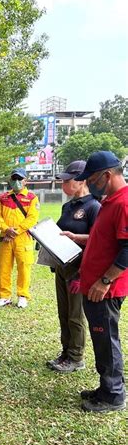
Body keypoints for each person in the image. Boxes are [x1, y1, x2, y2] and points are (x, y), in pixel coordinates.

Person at [74, 151, 127, 413]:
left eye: (92, 179)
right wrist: (77, 237)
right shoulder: (110, 202)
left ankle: (113, 394)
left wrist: (104, 281)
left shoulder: (123, 203)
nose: (89, 184)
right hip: (95, 286)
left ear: (107, 175)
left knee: (106, 340)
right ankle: (107, 386)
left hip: (104, 290)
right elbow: (103, 241)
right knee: (102, 339)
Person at [46, 160, 101, 373]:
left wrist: (82, 273)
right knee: (63, 311)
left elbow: (98, 240)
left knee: (75, 314)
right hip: (62, 266)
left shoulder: (93, 207)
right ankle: (66, 351)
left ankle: (76, 356)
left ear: (81, 181)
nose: (63, 185)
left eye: (67, 181)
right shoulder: (67, 206)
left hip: (80, 269)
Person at [0, 168, 40, 308]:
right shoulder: (3, 198)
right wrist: (6, 229)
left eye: (20, 179)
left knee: (24, 267)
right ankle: (4, 296)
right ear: (10, 181)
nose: (17, 182)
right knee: (4, 267)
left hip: (23, 238)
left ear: (25, 181)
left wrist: (16, 231)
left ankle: (22, 296)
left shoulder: (32, 198)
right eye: (14, 179)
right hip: (5, 238)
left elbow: (32, 218)